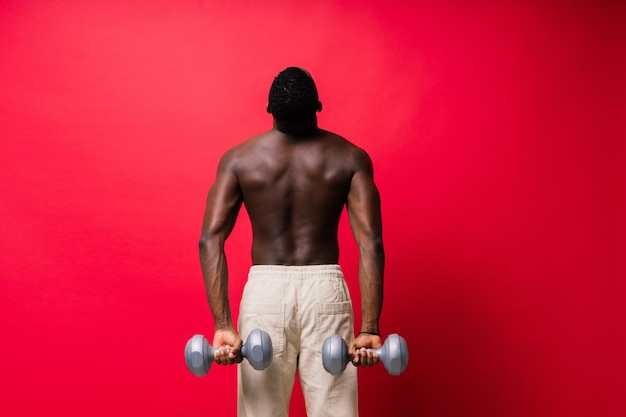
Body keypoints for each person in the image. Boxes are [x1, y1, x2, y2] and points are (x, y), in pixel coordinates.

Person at [198, 67, 385, 417]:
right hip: (325, 291)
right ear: (318, 105)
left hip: (265, 293)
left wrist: (223, 324)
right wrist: (369, 328)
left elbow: (210, 239)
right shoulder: (349, 157)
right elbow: (370, 242)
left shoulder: (240, 159)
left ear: (270, 109)